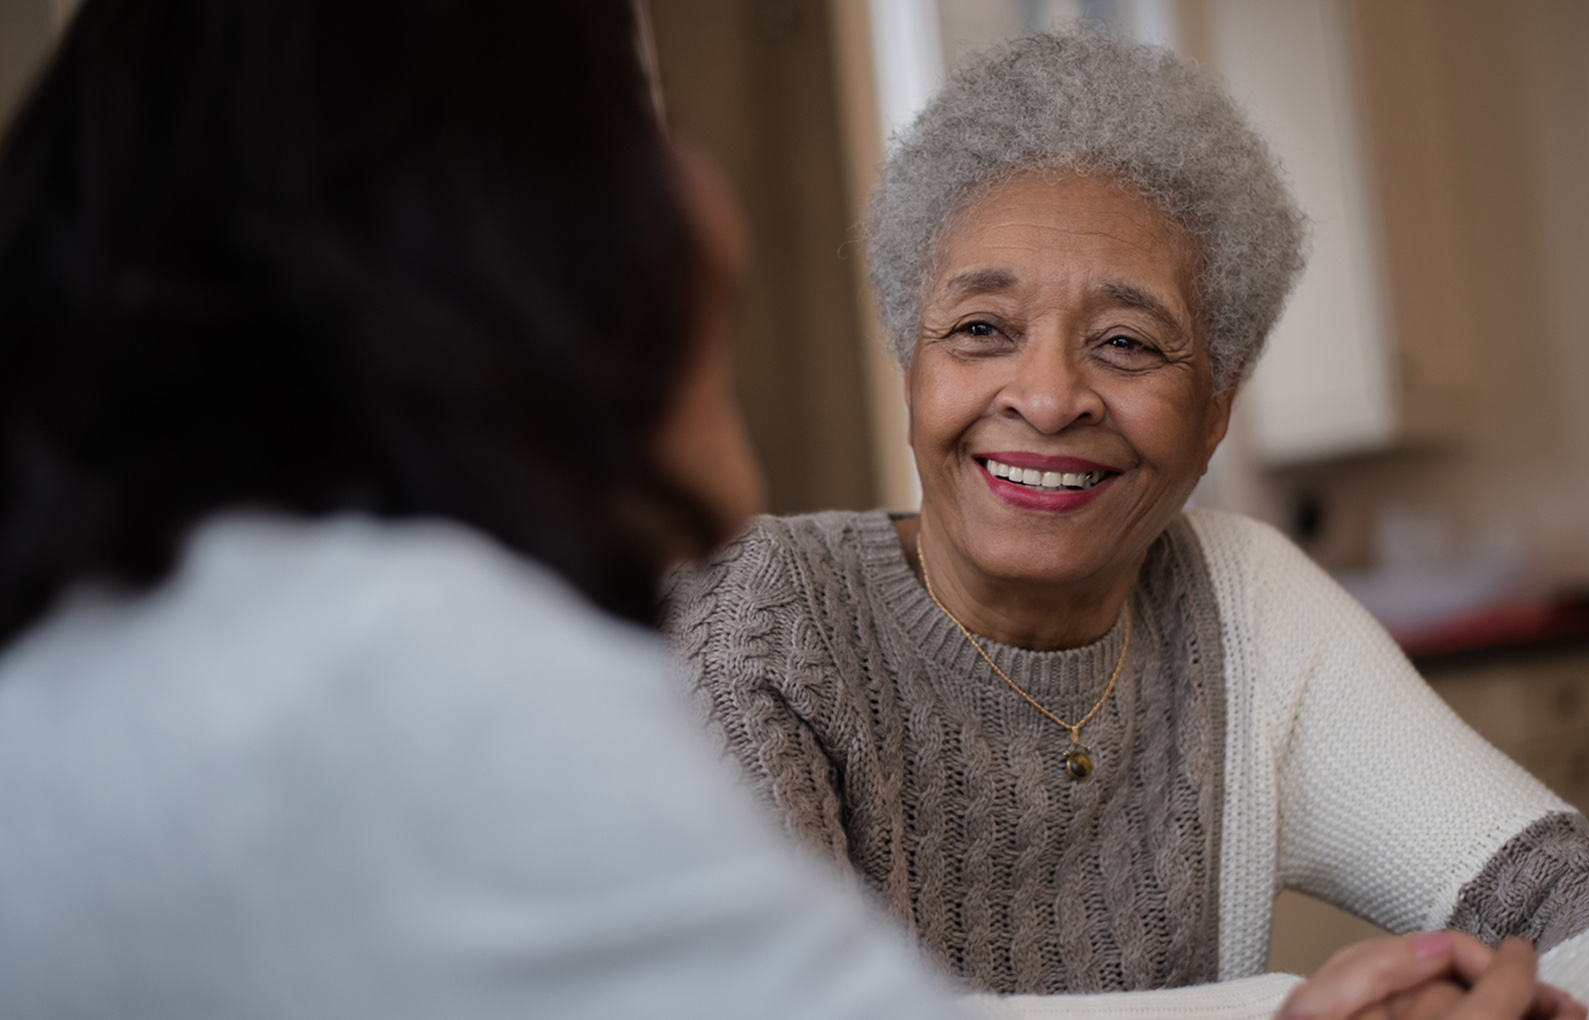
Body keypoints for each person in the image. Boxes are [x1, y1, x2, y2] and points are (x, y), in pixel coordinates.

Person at [0, 1, 971, 1016]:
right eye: (631, 122)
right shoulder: (402, 684)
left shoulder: (86, 671)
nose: (706, 198)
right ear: (486, 221)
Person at [666, 27, 1589, 1016]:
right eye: (982, 329)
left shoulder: (1245, 603)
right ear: (913, 366)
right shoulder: (764, 618)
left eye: (1126, 342)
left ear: (1214, 412)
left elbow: (1572, 901)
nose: (1049, 395)